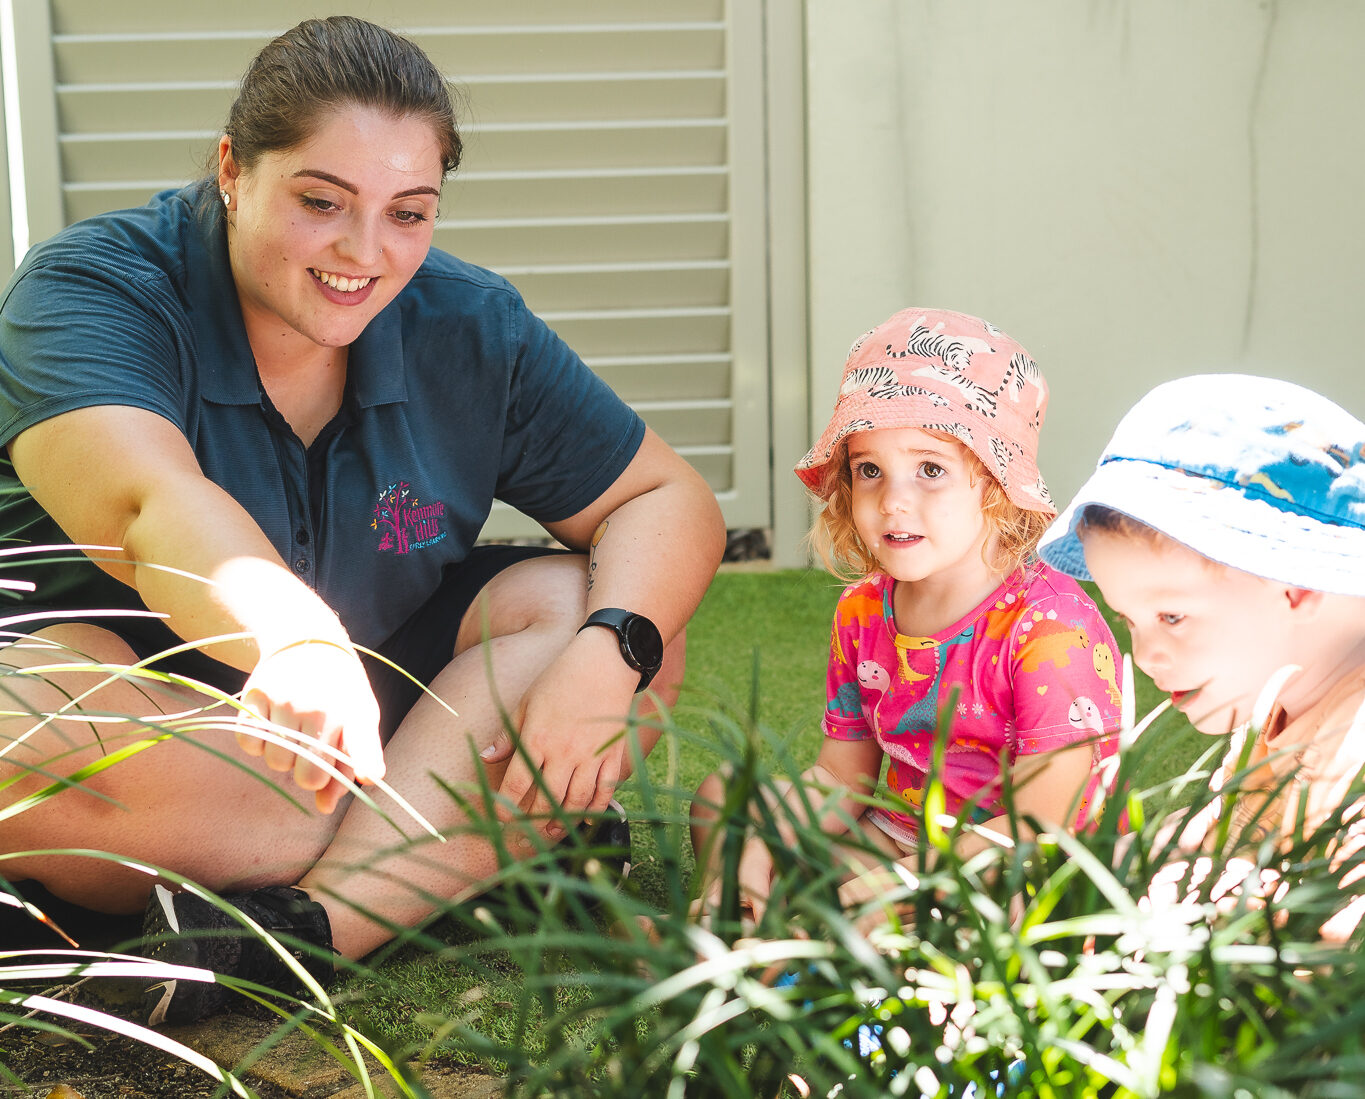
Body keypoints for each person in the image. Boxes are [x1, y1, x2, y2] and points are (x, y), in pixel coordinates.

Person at [0, 16, 725, 1022]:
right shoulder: (93, 288)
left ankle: (302, 934)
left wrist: (615, 651)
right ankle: (469, 855)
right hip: (170, 721)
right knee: (18, 742)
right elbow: (148, 502)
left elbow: (664, 497)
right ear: (232, 170)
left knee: (616, 620)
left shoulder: (471, 324)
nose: (364, 253)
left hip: (388, 716)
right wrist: (293, 638)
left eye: (408, 213)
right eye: (320, 202)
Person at [691, 308, 1121, 926]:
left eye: (931, 469)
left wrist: (898, 885)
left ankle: (813, 942)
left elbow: (1044, 817)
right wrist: (766, 840)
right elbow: (843, 776)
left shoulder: (1052, 629)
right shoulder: (864, 609)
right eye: (869, 470)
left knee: (891, 915)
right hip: (896, 835)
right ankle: (731, 914)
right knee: (724, 799)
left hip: (1012, 864)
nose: (893, 500)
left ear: (996, 485)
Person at [1038, 373, 1365, 938]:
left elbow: (1342, 927)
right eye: (1129, 622)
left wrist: (1212, 899)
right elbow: (1229, 826)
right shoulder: (1279, 701)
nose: (1144, 656)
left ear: (1296, 583)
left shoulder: (1354, 746)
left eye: (1172, 617)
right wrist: (1162, 852)